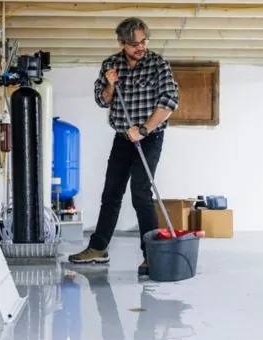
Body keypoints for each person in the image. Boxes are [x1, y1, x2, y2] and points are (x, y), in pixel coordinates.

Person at [67, 17, 179, 276]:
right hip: (123, 137)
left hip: (149, 136)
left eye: (143, 41)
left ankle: (151, 256)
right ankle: (98, 248)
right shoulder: (111, 65)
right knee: (111, 193)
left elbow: (170, 101)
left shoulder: (157, 65)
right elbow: (102, 100)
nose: (140, 47)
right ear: (121, 43)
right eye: (133, 44)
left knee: (140, 192)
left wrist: (143, 129)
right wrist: (110, 84)